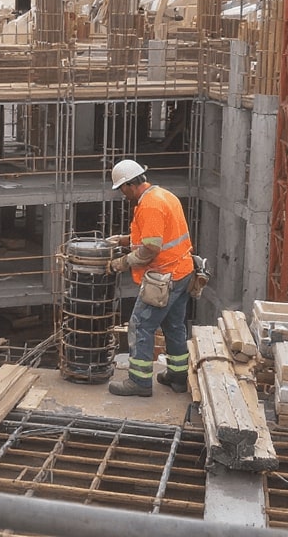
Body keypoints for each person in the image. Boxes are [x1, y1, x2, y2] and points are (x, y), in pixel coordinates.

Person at [104, 159, 195, 397]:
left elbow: (150, 249)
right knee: (174, 325)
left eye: (121, 189)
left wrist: (120, 264)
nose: (122, 194)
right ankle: (178, 376)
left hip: (165, 277)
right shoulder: (164, 195)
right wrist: (123, 240)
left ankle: (139, 382)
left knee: (141, 325)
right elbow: (155, 236)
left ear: (130, 185)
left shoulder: (150, 206)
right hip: (183, 271)